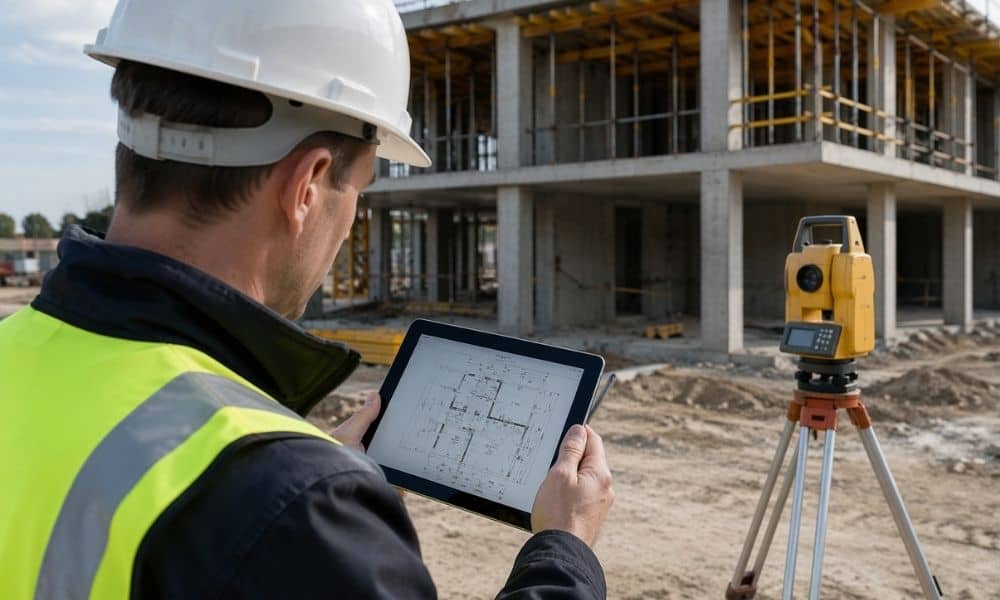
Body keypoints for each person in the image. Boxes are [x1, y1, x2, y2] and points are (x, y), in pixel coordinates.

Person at [0, 1, 615, 598]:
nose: (350, 223)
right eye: (360, 191)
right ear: (307, 184)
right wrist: (565, 549)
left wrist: (307, 464)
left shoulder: (13, 348)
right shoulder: (298, 511)